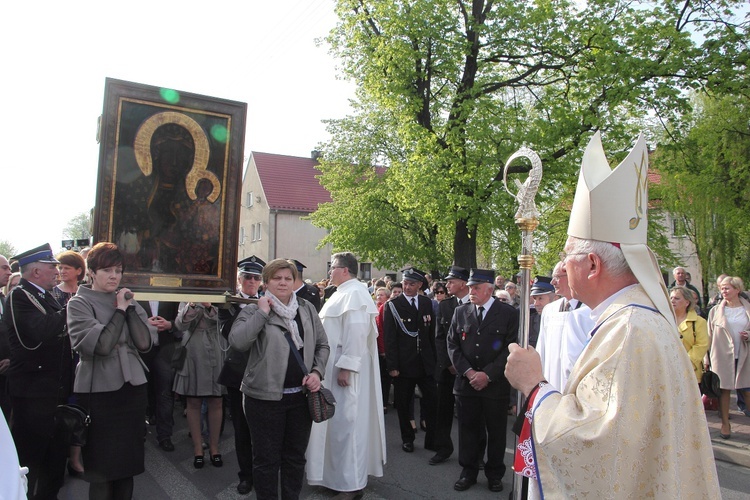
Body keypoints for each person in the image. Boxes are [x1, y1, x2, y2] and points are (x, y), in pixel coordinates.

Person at [505, 132, 719, 498]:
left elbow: (593, 444)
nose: (561, 266)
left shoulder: (628, 331)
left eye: (567, 255)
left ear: (591, 264)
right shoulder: (639, 318)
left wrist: (534, 388)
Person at [229, 258, 329, 500]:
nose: (283, 283)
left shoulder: (306, 308)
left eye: (288, 278)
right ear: (267, 282)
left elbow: (322, 345)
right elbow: (238, 342)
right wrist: (262, 313)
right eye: (277, 278)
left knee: (295, 458)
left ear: (295, 281)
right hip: (263, 399)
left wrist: (317, 372)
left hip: (300, 399)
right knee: (266, 461)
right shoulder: (254, 309)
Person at [66, 242, 153, 499]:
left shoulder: (127, 299)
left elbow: (145, 343)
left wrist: (128, 307)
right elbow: (102, 346)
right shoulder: (79, 303)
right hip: (99, 393)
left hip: (133, 391)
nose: (114, 276)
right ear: (91, 272)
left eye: (118, 270)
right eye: (107, 270)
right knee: (102, 471)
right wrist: (120, 310)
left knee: (127, 469)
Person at [306, 252, 386, 498]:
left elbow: (356, 334)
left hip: (345, 374)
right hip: (332, 371)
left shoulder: (355, 294)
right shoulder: (341, 293)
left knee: (348, 427)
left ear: (344, 270)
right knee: (334, 427)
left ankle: (351, 486)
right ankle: (334, 479)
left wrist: (347, 367)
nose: (329, 272)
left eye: (333, 268)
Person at [5, 244, 73, 500]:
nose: (57, 271)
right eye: (52, 267)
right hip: (33, 394)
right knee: (30, 460)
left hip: (54, 391)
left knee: (55, 460)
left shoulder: (48, 295)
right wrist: (71, 309)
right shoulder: (19, 296)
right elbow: (37, 334)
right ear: (35, 272)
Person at [447, 269, 518, 493]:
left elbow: (510, 348)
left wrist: (487, 374)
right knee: (468, 430)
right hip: (466, 385)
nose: (471, 292)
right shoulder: (461, 312)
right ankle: (468, 471)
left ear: (489, 289)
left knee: (496, 432)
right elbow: (452, 345)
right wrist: (469, 373)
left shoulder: (507, 313)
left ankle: (494, 474)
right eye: (470, 287)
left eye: (476, 288)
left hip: (494, 386)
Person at [218, 255, 265, 495]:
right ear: (239, 279)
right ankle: (246, 475)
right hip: (238, 373)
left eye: (257, 278)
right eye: (248, 277)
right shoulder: (228, 304)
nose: (252, 281)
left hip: (264, 374)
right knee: (242, 429)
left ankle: (263, 473)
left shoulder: (268, 302)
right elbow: (232, 336)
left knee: (266, 429)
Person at [383, 268, 437, 454]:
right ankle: (407, 438)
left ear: (419, 285)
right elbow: (389, 339)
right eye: (405, 283)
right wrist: (393, 366)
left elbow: (430, 335)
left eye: (411, 284)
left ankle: (431, 438)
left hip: (425, 363)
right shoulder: (393, 306)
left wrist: (434, 362)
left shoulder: (426, 303)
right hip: (404, 365)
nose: (407, 287)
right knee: (404, 404)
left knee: (431, 401)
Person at [173, 300, 224, 468]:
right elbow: (180, 325)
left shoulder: (221, 294)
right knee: (193, 402)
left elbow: (224, 319)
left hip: (215, 348)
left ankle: (214, 447)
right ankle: (197, 448)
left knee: (216, 401)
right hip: (193, 351)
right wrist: (193, 305)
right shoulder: (187, 297)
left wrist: (209, 306)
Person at [430, 265, 471, 466]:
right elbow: (439, 338)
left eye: (451, 281)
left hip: (470, 370)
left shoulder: (475, 303)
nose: (447, 285)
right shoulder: (445, 306)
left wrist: (465, 366)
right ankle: (443, 448)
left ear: (463, 283)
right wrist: (448, 363)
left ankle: (474, 455)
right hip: (448, 369)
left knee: (471, 416)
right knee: (443, 410)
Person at [536, 261, 593, 391]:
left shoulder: (589, 309)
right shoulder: (550, 310)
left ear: (572, 276)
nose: (552, 282)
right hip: (550, 380)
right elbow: (541, 347)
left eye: (557, 277)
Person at [706, 275, 750, 439]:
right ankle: (725, 424)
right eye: (722, 288)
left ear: (737, 289)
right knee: (723, 390)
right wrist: (706, 358)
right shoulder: (715, 311)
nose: (723, 291)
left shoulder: (747, 309)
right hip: (722, 355)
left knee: (747, 391)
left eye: (727, 288)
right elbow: (708, 336)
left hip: (745, 355)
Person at [137, 299, 180, 452]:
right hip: (141, 351)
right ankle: (138, 434)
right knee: (140, 393)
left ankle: (165, 436)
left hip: (165, 349)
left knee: (165, 394)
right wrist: (143, 323)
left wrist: (170, 324)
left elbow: (181, 319)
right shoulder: (136, 290)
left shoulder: (170, 290)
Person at [670, 286, 709, 386]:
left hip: (690, 372)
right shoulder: (664, 320)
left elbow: (702, 345)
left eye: (677, 298)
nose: (672, 300)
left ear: (687, 303)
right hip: (668, 371)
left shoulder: (699, 322)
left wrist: (685, 363)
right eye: (671, 298)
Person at [374, 286, 392, 412]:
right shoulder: (375, 308)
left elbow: (382, 330)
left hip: (385, 347)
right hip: (378, 346)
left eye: (382, 295)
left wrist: (383, 349)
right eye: (377, 294)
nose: (379, 297)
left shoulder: (385, 308)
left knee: (385, 378)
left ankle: (384, 402)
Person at [0, 255, 13, 421]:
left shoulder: (6, 300)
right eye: (4, 268)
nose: (9, 272)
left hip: (6, 381)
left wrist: (12, 358)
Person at [528, 276, 555, 348]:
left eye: (540, 298)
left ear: (554, 298)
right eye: (534, 299)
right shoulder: (529, 322)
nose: (536, 304)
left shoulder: (564, 318)